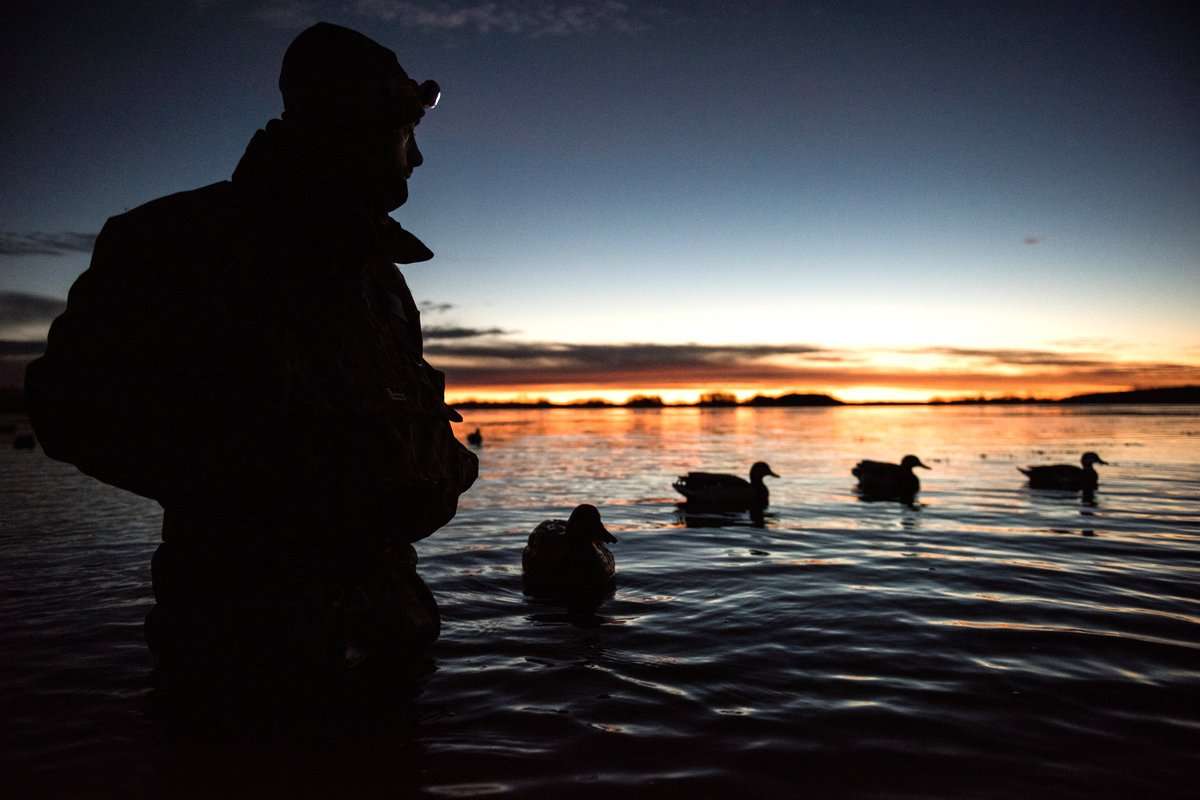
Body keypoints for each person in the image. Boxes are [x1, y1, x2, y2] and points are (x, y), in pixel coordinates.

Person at [26, 22, 477, 700]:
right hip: (241, 660)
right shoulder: (175, 243)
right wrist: (265, 489)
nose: (416, 159)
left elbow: (389, 428)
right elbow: (68, 410)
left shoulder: (382, 283)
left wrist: (439, 470)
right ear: (353, 123)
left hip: (390, 653)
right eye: (405, 133)